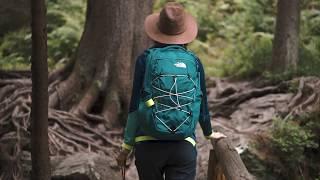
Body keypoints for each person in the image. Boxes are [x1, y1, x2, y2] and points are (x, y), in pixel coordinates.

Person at [117, 2, 226, 180]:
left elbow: (136, 105)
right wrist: (209, 133)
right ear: (185, 34)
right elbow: (202, 103)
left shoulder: (145, 59)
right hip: (183, 145)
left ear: (156, 32)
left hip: (148, 143)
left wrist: (126, 146)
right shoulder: (194, 61)